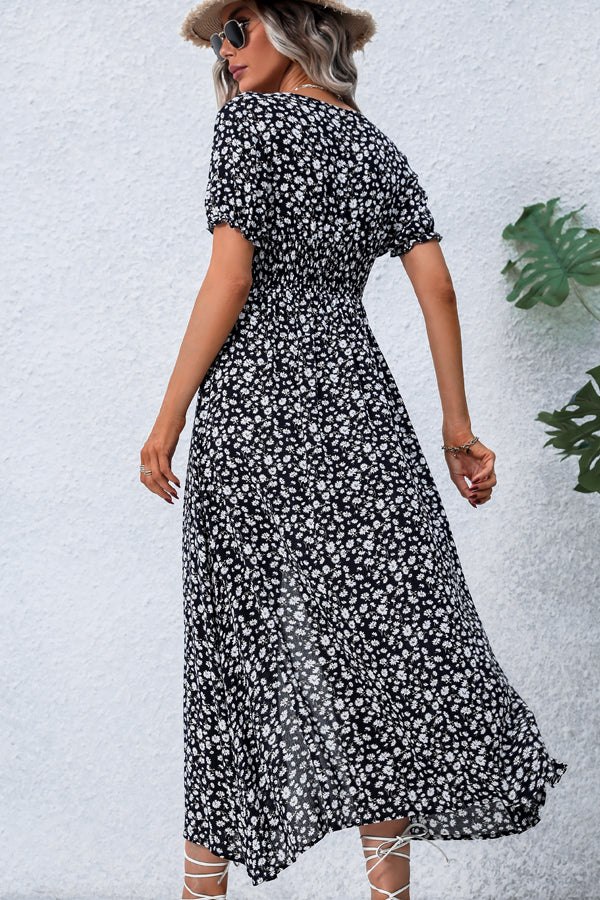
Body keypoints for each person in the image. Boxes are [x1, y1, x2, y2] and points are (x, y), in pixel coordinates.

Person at [139, 1, 568, 897]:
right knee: (377, 652)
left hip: (255, 414)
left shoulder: (250, 127)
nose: (225, 49)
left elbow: (230, 277)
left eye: (239, 27)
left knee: (237, 652)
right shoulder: (378, 150)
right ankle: (388, 891)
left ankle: (202, 889)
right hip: (358, 414)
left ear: (293, 25)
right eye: (219, 37)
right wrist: (458, 430)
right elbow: (438, 289)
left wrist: (167, 419)